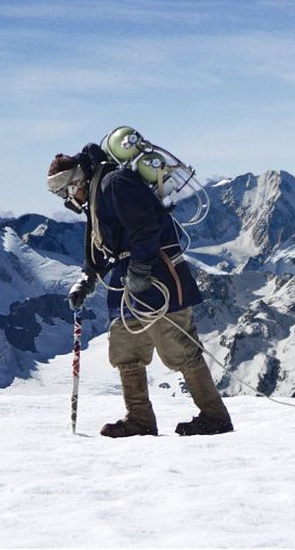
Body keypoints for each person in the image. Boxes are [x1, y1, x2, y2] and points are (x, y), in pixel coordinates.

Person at [47, 144, 233, 437]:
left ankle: (215, 417)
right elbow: (97, 244)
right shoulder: (100, 192)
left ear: (75, 180)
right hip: (131, 282)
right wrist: (86, 280)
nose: (66, 199)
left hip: (158, 277)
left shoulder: (115, 183)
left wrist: (140, 271)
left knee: (179, 348)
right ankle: (140, 419)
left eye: (63, 191)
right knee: (125, 348)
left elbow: (146, 228)